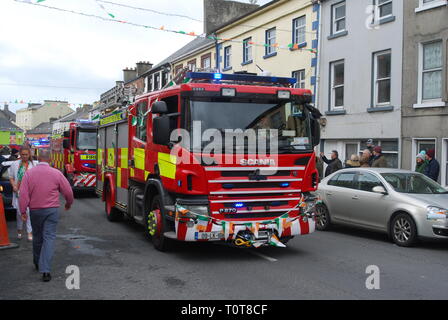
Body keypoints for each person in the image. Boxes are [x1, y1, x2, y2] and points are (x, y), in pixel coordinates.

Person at [18, 149, 74, 282]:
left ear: (38, 158)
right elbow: (68, 191)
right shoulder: (56, 173)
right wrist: (68, 203)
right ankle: (46, 271)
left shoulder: (29, 174)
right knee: (49, 238)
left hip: (35, 210)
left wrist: (23, 211)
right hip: (51, 210)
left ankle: (37, 262)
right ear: (49, 159)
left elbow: (23, 194)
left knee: (37, 237)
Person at [8, 145, 38, 241]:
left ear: (29, 154)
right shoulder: (15, 164)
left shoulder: (34, 165)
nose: (24, 156)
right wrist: (14, 186)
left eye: (26, 154)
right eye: (23, 154)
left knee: (29, 212)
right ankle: (19, 230)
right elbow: (11, 177)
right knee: (19, 213)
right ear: (20, 154)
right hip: (18, 193)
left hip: (30, 193)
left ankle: (29, 232)